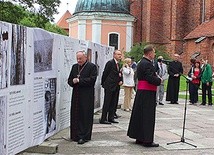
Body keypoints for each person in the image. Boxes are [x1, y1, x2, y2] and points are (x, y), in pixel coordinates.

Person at [127, 45, 162, 147]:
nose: (154, 54)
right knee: (147, 116)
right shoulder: (147, 64)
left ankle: (139, 137)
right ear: (149, 53)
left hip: (142, 92)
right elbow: (149, 78)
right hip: (147, 92)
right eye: (154, 52)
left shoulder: (141, 62)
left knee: (140, 115)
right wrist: (159, 80)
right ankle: (147, 140)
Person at [67, 51, 97, 144]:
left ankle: (84, 136)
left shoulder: (92, 67)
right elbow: (69, 80)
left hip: (86, 95)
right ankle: (74, 135)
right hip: (76, 95)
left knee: (85, 115)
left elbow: (92, 80)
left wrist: (79, 80)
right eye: (77, 59)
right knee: (75, 114)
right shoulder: (74, 67)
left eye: (80, 58)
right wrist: (73, 81)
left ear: (86, 58)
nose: (78, 60)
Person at [100, 50, 123, 124]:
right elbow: (105, 73)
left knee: (113, 102)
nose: (119, 56)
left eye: (120, 54)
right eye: (118, 54)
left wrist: (120, 80)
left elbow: (119, 74)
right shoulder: (110, 63)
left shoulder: (118, 64)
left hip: (116, 86)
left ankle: (111, 117)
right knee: (107, 102)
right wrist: (103, 83)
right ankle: (103, 118)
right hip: (109, 86)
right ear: (114, 55)